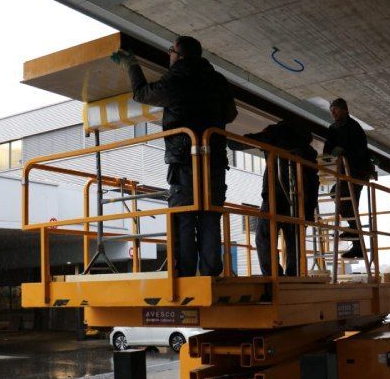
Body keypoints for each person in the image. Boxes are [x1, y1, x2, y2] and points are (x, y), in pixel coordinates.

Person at [112, 36, 237, 277]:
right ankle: (211, 274)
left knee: (184, 217)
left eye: (170, 51)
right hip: (214, 160)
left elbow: (142, 93)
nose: (169, 55)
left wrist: (131, 64)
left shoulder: (178, 76)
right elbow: (230, 114)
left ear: (179, 55)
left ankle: (185, 276)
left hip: (185, 160)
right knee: (210, 215)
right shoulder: (217, 80)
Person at [232, 119, 318, 276]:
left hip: (275, 194)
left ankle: (273, 275)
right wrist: (309, 211)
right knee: (294, 242)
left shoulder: (276, 133)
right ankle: (293, 276)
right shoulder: (307, 151)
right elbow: (314, 183)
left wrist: (223, 138)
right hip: (300, 201)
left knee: (264, 237)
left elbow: (243, 142)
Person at [323, 98, 373, 258]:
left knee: (348, 203)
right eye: (331, 111)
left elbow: (360, 149)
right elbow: (327, 150)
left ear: (345, 110)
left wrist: (343, 151)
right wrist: (330, 154)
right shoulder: (333, 128)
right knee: (339, 197)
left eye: (335, 109)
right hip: (344, 172)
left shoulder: (354, 127)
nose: (333, 113)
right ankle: (355, 237)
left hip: (357, 171)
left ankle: (354, 236)